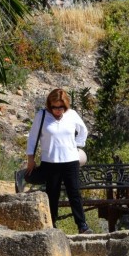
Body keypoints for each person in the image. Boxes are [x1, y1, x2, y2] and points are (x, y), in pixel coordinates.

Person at [18, 88, 91, 233]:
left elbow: (83, 131)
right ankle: (52, 225)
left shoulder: (72, 115)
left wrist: (76, 145)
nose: (58, 110)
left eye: (61, 107)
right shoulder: (42, 115)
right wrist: (30, 158)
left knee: (74, 192)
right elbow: (33, 137)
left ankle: (82, 225)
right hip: (50, 161)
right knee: (52, 194)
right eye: (55, 107)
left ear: (66, 105)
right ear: (49, 105)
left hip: (70, 160)